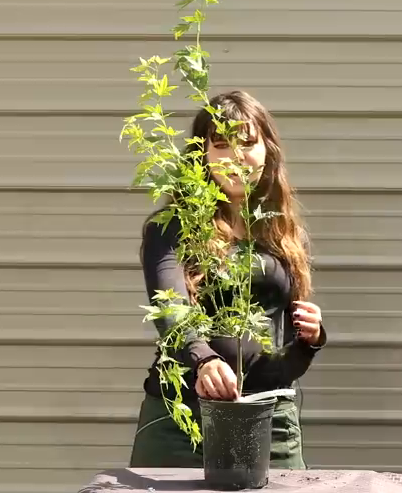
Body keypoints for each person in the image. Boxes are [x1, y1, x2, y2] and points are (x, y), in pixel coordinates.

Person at [128, 90, 326, 469]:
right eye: (221, 144)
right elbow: (170, 305)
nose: (236, 156)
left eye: (248, 143)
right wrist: (203, 360)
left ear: (267, 150)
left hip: (269, 418)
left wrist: (312, 338)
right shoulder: (171, 228)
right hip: (181, 421)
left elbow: (287, 357)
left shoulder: (284, 235)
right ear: (202, 155)